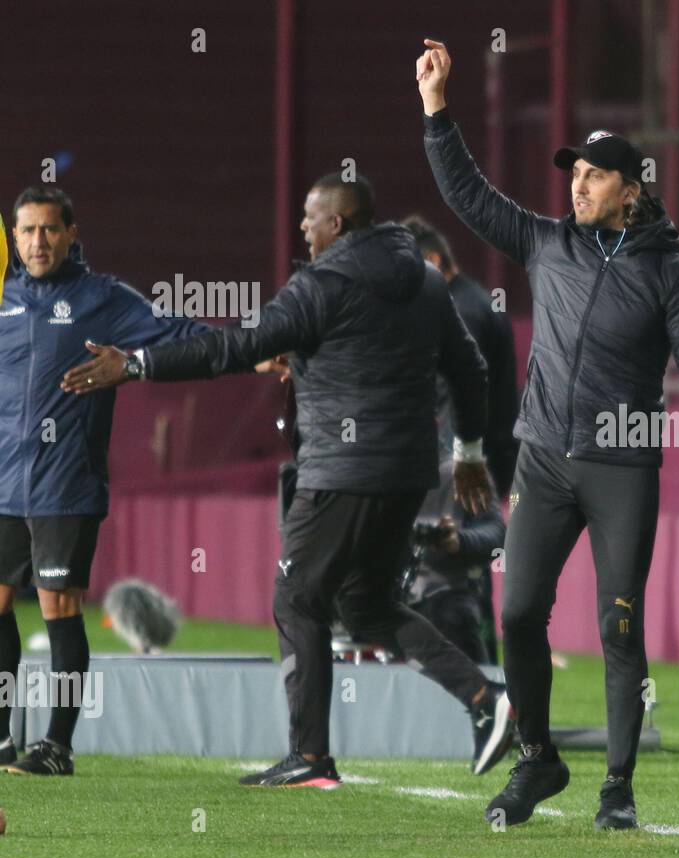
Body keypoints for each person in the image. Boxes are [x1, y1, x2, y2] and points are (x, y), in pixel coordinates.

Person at [61, 172, 518, 784]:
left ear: (339, 223)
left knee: (296, 596)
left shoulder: (320, 285)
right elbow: (471, 368)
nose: (302, 227)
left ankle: (309, 755)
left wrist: (138, 363)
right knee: (366, 605)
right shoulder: (428, 283)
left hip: (340, 472)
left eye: (311, 217)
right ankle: (486, 700)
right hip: (407, 472)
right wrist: (466, 452)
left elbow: (232, 348)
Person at [418, 39, 679, 829]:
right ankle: (538, 760)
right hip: (545, 462)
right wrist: (436, 109)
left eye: (594, 175)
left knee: (616, 628)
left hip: (622, 467)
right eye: (574, 172)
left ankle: (619, 791)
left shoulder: (670, 270)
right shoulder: (548, 241)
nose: (577, 184)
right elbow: (469, 195)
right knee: (520, 612)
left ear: (631, 191)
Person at [1, 187, 214, 775]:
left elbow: (174, 332)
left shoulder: (102, 298)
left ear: (71, 233)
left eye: (48, 230)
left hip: (64, 485)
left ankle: (56, 746)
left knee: (57, 607)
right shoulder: (3, 294)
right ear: (13, 239)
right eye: (26, 231)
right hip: (2, 484)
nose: (37, 241)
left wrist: (257, 349)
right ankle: (1, 740)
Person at [402, 214, 519, 497]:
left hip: (466, 469)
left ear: (434, 260)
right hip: (482, 459)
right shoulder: (474, 301)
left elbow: (464, 391)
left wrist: (460, 459)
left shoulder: (461, 313)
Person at [403, 457, 505, 666]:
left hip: (442, 595)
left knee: (453, 615)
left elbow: (496, 536)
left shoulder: (462, 467)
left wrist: (459, 541)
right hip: (372, 594)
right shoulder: (364, 462)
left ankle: (479, 693)